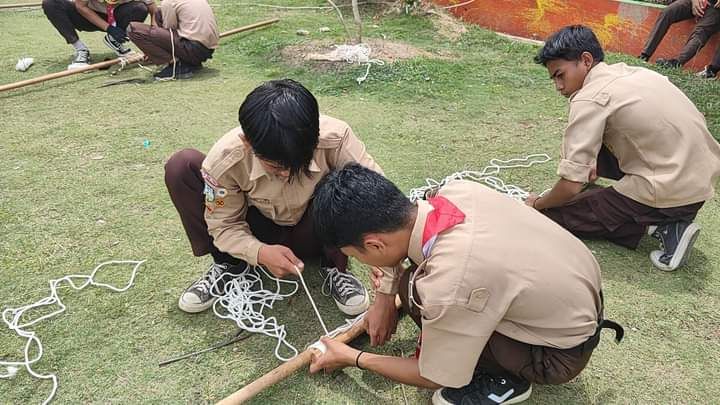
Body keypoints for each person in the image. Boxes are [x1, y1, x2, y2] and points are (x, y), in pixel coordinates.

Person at [308, 164, 623, 405]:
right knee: (412, 285)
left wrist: (353, 357)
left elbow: (431, 375)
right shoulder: (455, 191)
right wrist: (385, 298)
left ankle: (505, 380)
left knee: (421, 294)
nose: (363, 263)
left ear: (374, 245)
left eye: (356, 256)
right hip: (578, 298)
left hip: (556, 354)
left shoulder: (448, 284)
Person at [163, 79, 381, 317]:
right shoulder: (225, 160)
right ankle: (229, 264)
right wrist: (258, 252)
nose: (286, 173)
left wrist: (383, 260)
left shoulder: (336, 138)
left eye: (296, 162)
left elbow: (376, 197)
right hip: (261, 229)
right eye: (275, 165)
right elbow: (224, 224)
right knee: (181, 166)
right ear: (247, 141)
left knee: (344, 182)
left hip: (316, 230)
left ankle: (335, 267)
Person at [528, 25, 720, 271]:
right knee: (601, 147)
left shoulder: (589, 97)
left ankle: (663, 225)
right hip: (700, 186)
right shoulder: (637, 73)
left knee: (555, 215)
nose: (558, 86)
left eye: (560, 75)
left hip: (670, 191)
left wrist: (538, 204)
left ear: (586, 60)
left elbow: (569, 185)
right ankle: (666, 213)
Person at [42, 0, 156, 70]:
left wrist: (154, 37)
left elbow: (152, 7)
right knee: (51, 3)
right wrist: (108, 28)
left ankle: (114, 41)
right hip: (88, 16)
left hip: (119, 16)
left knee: (140, 8)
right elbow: (80, 6)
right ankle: (81, 50)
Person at [127, 0, 218, 81]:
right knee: (159, 13)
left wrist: (151, 49)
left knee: (133, 29)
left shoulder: (169, 2)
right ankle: (189, 62)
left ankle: (177, 65)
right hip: (206, 50)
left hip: (192, 48)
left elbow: (170, 30)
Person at [639, 0, 720, 68]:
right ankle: (645, 55)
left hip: (716, 8)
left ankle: (676, 63)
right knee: (668, 12)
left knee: (701, 31)